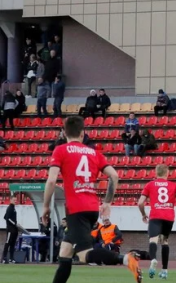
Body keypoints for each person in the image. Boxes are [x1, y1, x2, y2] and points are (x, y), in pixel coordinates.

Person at [42, 116, 143, 283]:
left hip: (76, 209)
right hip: (91, 208)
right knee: (65, 252)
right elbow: (114, 176)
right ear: (82, 133)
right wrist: (107, 202)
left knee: (83, 254)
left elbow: (52, 180)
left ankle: (125, 259)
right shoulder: (94, 153)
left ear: (64, 133)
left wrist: (46, 206)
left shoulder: (61, 150)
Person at [138, 164, 176, 279]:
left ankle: (153, 260)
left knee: (153, 239)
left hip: (156, 215)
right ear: (167, 173)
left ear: (156, 173)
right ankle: (165, 270)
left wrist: (143, 214)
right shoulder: (174, 184)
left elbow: (140, 202)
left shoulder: (150, 185)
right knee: (165, 241)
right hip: (168, 216)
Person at [3, 199, 18, 264]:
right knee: (8, 243)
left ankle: (11, 258)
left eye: (16, 200)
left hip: (14, 229)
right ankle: (4, 258)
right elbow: (7, 218)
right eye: (14, 200)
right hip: (10, 229)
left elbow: (5, 216)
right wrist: (14, 223)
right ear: (10, 200)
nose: (15, 201)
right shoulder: (10, 208)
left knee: (12, 244)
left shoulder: (13, 208)